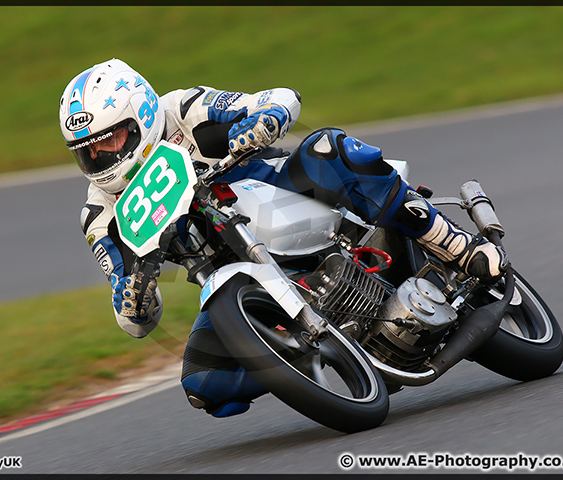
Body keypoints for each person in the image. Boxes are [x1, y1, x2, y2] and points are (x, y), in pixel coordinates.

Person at [59, 59, 508, 418]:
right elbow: (135, 320)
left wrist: (264, 120)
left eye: (110, 139)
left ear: (141, 116)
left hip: (280, 196)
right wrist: (135, 294)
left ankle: (455, 246)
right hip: (236, 275)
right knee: (206, 387)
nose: (99, 157)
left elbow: (280, 98)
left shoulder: (184, 109)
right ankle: (324, 357)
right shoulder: (99, 214)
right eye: (87, 150)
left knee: (328, 148)